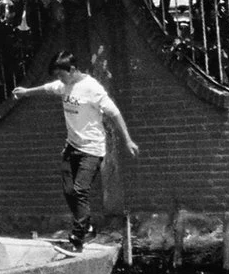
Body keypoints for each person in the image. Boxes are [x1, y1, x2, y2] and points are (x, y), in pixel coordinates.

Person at [10, 51, 139, 246]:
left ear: (71, 70)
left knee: (80, 190)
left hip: (92, 149)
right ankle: (87, 227)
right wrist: (26, 92)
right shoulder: (64, 85)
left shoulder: (92, 88)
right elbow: (47, 89)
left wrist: (128, 140)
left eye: (61, 75)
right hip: (71, 147)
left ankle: (80, 234)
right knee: (69, 191)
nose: (60, 79)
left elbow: (115, 113)